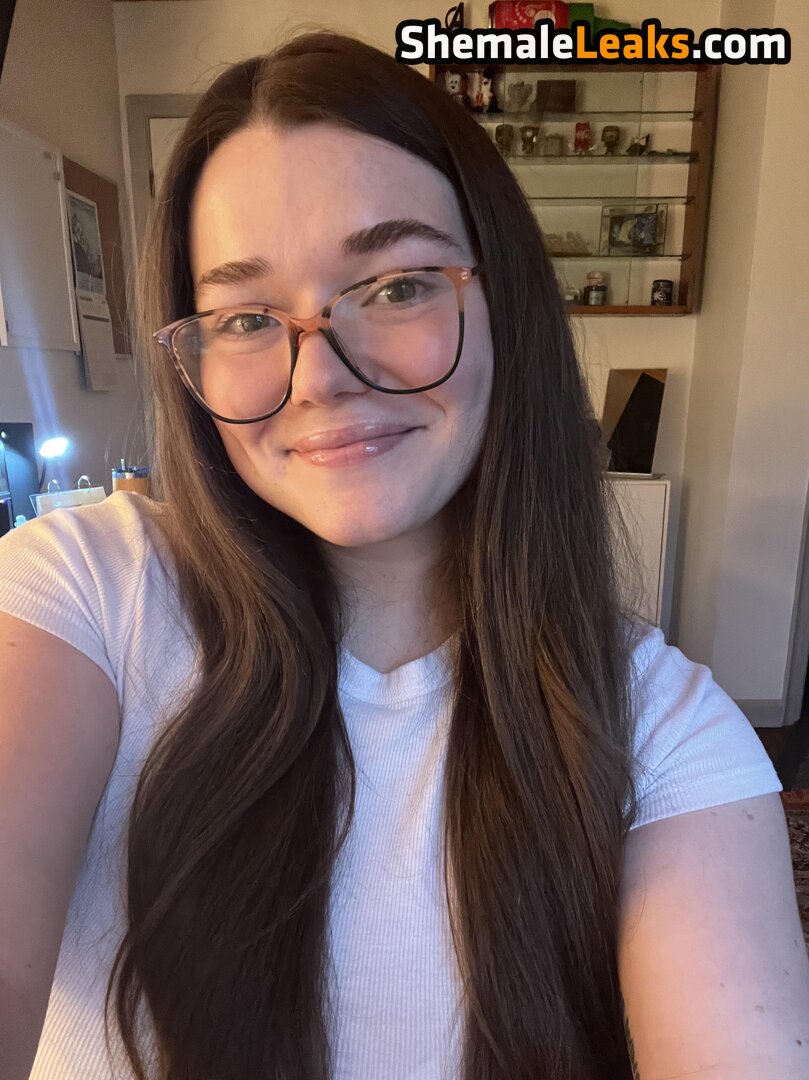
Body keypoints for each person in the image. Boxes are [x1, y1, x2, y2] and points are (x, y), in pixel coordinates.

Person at [0, 30, 807, 1080]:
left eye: (394, 286)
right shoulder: (82, 593)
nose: (319, 377)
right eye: (245, 317)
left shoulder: (664, 729)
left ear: (502, 302)